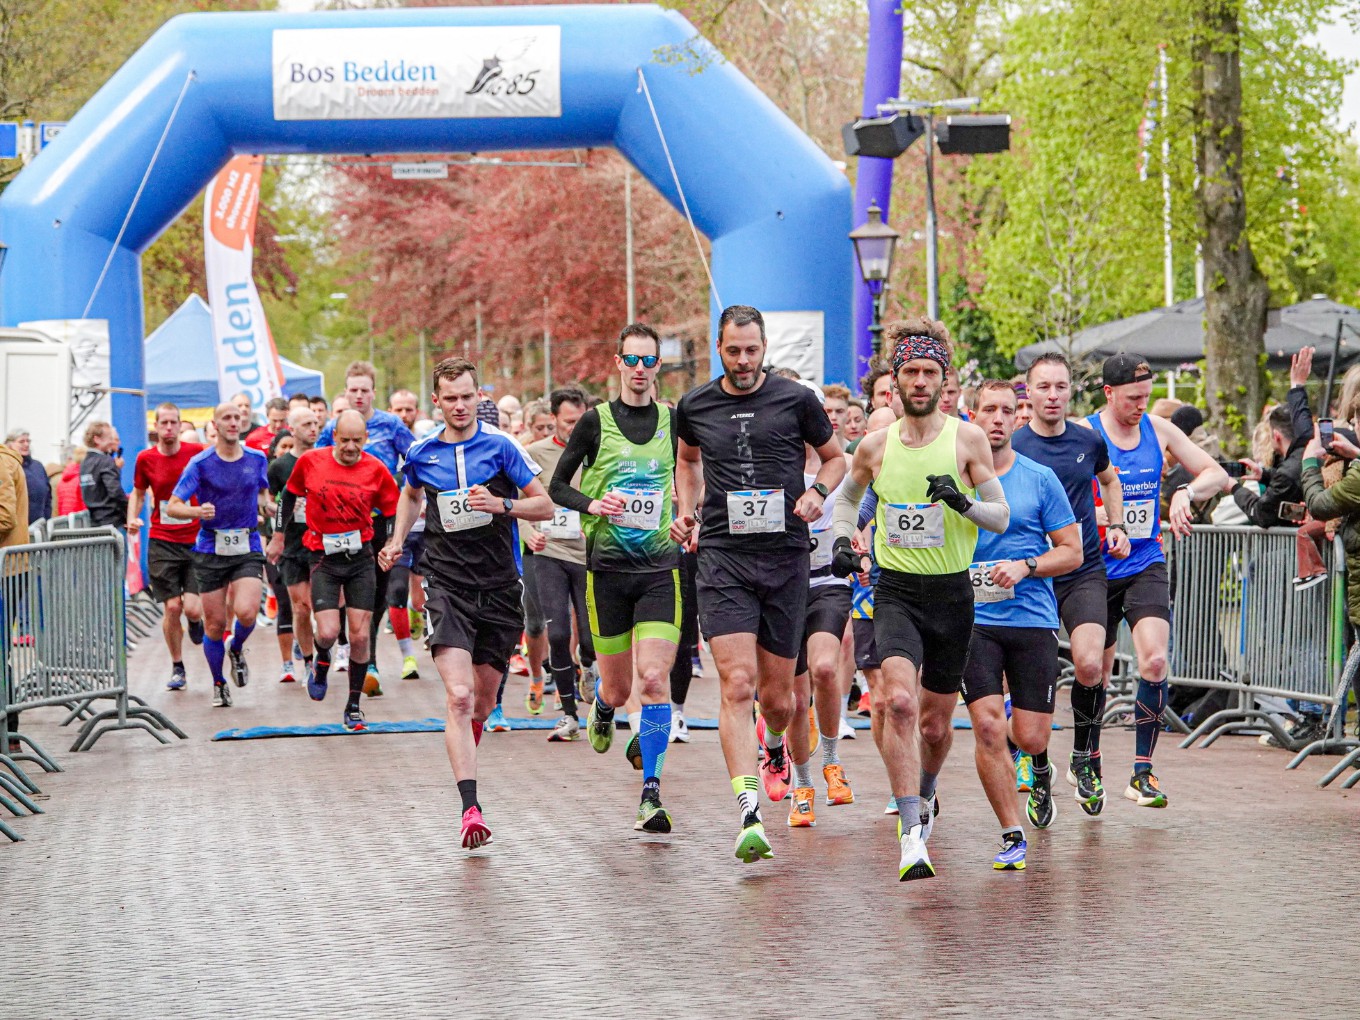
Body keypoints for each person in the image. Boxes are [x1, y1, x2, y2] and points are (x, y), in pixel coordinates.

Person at [830, 317, 1010, 881]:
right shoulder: (875, 445)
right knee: (899, 704)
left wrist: (962, 503)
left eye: (930, 372)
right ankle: (911, 833)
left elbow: (1000, 518)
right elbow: (845, 500)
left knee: (934, 727)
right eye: (910, 371)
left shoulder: (968, 439)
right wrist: (841, 538)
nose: (920, 381)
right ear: (896, 378)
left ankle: (926, 794)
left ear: (943, 378)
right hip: (897, 591)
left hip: (952, 595)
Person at [673, 305, 846, 864]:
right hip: (723, 556)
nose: (743, 361)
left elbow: (835, 459)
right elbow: (687, 461)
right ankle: (748, 811)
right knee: (737, 685)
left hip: (784, 557)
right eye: (733, 351)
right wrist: (688, 510)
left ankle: (774, 746)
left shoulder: (796, 400)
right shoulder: (695, 405)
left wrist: (817, 493)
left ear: (764, 348)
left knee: (778, 700)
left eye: (751, 350)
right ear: (717, 349)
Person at [379, 357, 553, 850]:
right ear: (437, 401)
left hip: (499, 587)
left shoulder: (502, 447)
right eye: (450, 398)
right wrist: (397, 539)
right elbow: (410, 495)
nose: (459, 406)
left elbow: (545, 504)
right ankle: (470, 808)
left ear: (479, 396)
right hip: (446, 585)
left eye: (467, 396)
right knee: (457, 696)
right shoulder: (421, 451)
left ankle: (467, 751)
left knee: (481, 701)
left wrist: (503, 505)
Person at [551, 325, 687, 831]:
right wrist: (593, 503)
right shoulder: (594, 422)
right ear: (617, 363)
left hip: (659, 570)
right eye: (630, 359)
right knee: (617, 685)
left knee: (654, 681)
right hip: (606, 573)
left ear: (657, 367)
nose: (638, 369)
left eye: (648, 361)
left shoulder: (674, 423)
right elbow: (557, 486)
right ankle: (605, 709)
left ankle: (651, 792)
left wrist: (686, 516)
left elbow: (692, 476)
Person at [1082, 353, 1228, 808]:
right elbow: (1059, 493)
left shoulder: (1159, 430)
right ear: (1109, 393)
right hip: (1097, 567)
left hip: (1146, 560)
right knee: (1096, 672)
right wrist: (1101, 516)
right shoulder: (1085, 433)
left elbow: (1217, 473)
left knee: (1155, 662)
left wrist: (1186, 490)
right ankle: (1088, 758)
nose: (1141, 406)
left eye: (1146, 398)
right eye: (1132, 399)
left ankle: (1142, 771)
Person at [958, 380, 1082, 869]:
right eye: (988, 409)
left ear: (1018, 417)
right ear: (972, 414)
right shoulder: (953, 476)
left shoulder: (1040, 478)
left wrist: (1027, 565)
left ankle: (1039, 762)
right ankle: (1012, 834)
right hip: (974, 620)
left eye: (1007, 411)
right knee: (988, 726)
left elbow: (1071, 551)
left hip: (1031, 618)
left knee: (1029, 736)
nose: (997, 419)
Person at [1012, 352, 1129, 814]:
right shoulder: (1014, 444)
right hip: (1032, 574)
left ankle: (1085, 757)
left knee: (1089, 665)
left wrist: (1116, 524)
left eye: (1061, 386)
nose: (1054, 395)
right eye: (1044, 387)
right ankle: (1039, 768)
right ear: (1030, 393)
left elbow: (1109, 479)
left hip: (1082, 569)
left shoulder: (1088, 440)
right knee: (1029, 684)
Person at [274, 410, 400, 731]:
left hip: (361, 558)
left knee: (359, 636)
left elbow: (391, 510)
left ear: (366, 440)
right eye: (344, 440)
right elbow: (287, 497)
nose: (350, 447)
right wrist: (277, 535)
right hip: (323, 558)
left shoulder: (376, 469)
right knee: (328, 631)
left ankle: (353, 705)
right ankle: (321, 660)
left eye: (357, 441)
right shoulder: (311, 462)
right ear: (334, 438)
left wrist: (389, 544)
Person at [167, 402, 273, 707]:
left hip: (246, 546)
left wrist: (266, 505)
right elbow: (173, 505)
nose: (232, 422)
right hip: (211, 548)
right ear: (214, 425)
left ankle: (237, 648)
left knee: (247, 612)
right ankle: (218, 682)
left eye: (237, 417)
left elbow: (263, 490)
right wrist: (196, 510)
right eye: (226, 418)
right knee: (213, 624)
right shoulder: (201, 463)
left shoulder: (256, 458)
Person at [318, 361, 415, 694]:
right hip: (339, 526)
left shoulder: (391, 425)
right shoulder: (332, 427)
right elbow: (315, 466)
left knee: (375, 594)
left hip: (378, 523)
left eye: (364, 390)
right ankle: (347, 645)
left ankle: (368, 658)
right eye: (353, 390)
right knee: (341, 595)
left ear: (374, 392)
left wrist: (397, 484)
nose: (358, 396)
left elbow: (415, 460)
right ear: (345, 392)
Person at [785, 446, 855, 829]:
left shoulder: (841, 463)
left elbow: (862, 506)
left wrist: (859, 541)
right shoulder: (775, 462)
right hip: (782, 588)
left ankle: (831, 760)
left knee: (826, 667)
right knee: (794, 699)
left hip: (828, 582)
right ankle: (802, 785)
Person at [523, 388, 596, 740]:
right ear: (553, 418)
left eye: (581, 420)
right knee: (558, 632)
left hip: (588, 554)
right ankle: (568, 715)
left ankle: (590, 668)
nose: (575, 427)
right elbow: (518, 499)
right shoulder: (535, 453)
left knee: (590, 634)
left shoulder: (598, 451)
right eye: (569, 421)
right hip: (549, 552)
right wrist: (526, 532)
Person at [128, 403, 206, 691]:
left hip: (196, 539)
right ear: (157, 427)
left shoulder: (195, 453)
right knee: (172, 607)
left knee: (194, 609)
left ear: (179, 425)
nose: (169, 428)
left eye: (174, 422)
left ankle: (195, 623)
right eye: (165, 423)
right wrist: (132, 519)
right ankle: (177, 666)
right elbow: (137, 494)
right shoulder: (145, 458)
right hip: (163, 539)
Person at [266, 416, 319, 684]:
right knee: (301, 607)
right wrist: (275, 510)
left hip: (324, 543)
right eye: (307, 424)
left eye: (316, 424)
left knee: (324, 607)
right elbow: (270, 498)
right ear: (293, 429)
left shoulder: (325, 458)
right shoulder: (280, 466)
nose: (313, 428)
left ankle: (325, 649)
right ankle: (310, 663)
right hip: (293, 544)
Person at [80, 421, 127, 531]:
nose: (112, 442)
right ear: (97, 439)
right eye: (109, 438)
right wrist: (128, 513)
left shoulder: (84, 463)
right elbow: (115, 491)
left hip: (93, 522)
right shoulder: (106, 462)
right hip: (112, 522)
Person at [6, 430, 51, 524]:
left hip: (38, 524)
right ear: (10, 444)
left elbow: (48, 496)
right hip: (17, 526)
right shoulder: (7, 466)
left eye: (28, 441)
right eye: (21, 441)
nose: (26, 444)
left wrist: (46, 518)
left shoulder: (37, 466)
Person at [57, 448, 87, 515]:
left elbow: (59, 504)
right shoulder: (83, 478)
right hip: (79, 521)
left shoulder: (62, 479)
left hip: (65, 519)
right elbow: (85, 505)